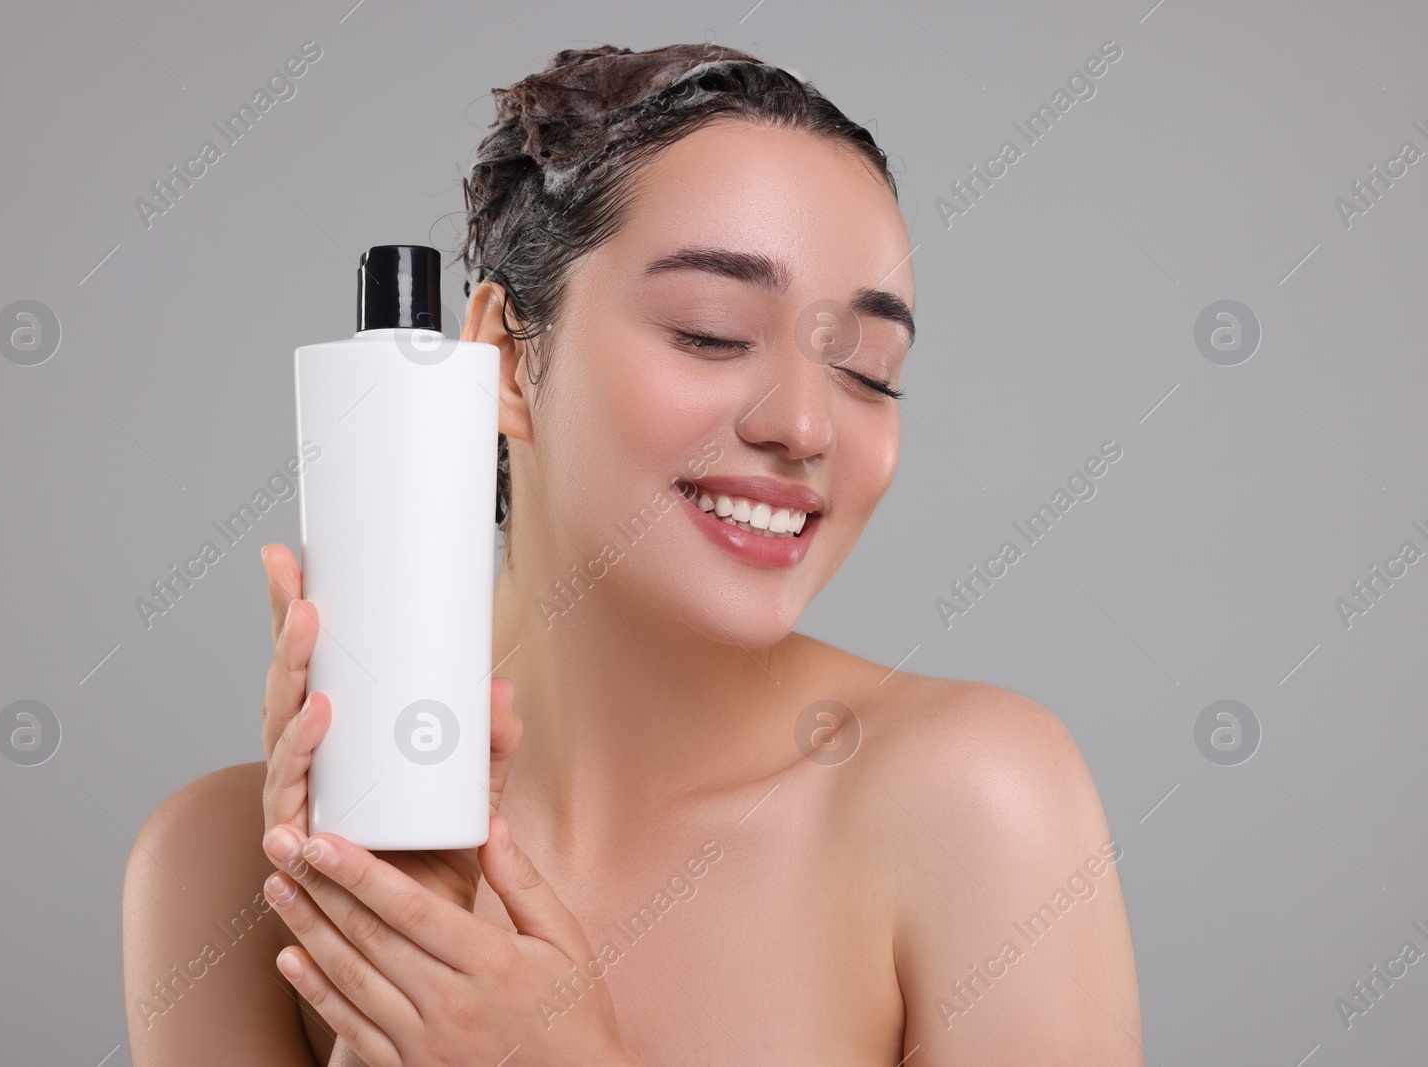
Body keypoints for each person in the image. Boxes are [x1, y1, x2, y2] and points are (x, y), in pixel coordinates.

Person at [122, 42, 1141, 1066]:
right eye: (710, 331)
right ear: (506, 362)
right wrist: (380, 985)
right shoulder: (222, 871)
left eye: (868, 370)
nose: (803, 423)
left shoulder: (974, 804)